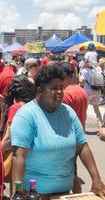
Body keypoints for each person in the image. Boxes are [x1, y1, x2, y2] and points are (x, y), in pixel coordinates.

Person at [11, 63, 105, 198]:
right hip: (34, 194)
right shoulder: (27, 115)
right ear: (40, 90)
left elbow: (82, 147)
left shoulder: (69, 113)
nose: (60, 92)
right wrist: (17, 192)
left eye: (61, 88)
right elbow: (19, 156)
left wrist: (96, 179)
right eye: (54, 88)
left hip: (64, 193)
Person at [60, 61, 88, 194]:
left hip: (68, 137)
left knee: (70, 173)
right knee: (72, 170)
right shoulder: (81, 90)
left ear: (64, 76)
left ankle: (76, 195)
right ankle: (77, 195)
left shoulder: (66, 94)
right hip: (79, 135)